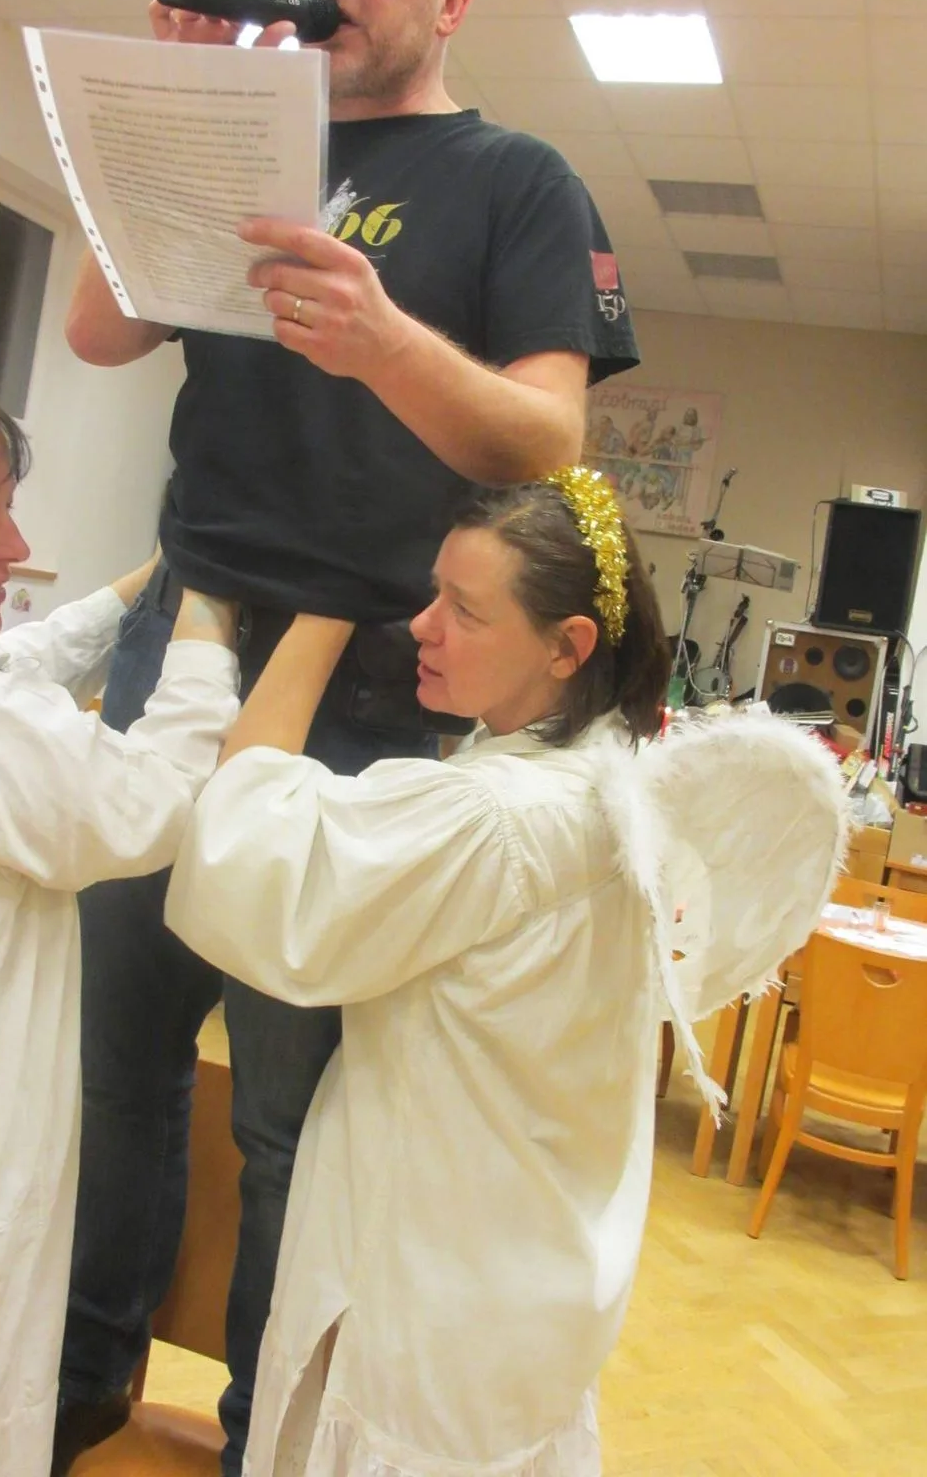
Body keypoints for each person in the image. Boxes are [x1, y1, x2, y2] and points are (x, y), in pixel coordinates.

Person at [56, 0, 640, 1468]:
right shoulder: (253, 143)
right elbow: (99, 330)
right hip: (179, 648)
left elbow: (546, 440)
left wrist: (383, 339)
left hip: (370, 690)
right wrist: (173, 114)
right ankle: (83, 1389)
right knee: (111, 1062)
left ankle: (271, 1438)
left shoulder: (516, 178)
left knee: (287, 1114)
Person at [164, 470, 846, 1477]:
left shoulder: (496, 817)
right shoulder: (608, 776)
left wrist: (310, 611)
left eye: (464, 609)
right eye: (431, 592)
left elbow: (247, 855)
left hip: (432, 1281)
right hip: (528, 1273)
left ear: (566, 646)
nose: (421, 625)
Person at [0, 346, 241, 1477]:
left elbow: (12, 666)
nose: (14, 544)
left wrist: (142, 587)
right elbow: (148, 801)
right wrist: (209, 616)